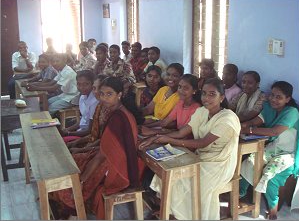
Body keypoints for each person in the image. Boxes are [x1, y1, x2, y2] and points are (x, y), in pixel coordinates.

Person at [139, 78, 241, 220]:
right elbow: (182, 132)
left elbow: (202, 143)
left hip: (218, 165)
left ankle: (186, 215)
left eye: (212, 94)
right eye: (204, 93)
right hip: (200, 158)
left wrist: (169, 139)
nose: (206, 98)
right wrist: (157, 137)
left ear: (222, 97)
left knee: (184, 180)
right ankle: (171, 210)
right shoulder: (202, 111)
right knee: (168, 173)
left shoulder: (228, 118)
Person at [50, 77, 142, 220]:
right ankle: (64, 204)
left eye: (109, 94)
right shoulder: (118, 112)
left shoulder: (118, 118)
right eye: (102, 94)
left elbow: (102, 155)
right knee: (74, 160)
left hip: (117, 168)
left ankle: (71, 207)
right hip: (113, 159)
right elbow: (104, 147)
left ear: (119, 95)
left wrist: (82, 180)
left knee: (75, 173)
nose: (104, 98)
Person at [239, 81, 299, 220]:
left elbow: (274, 132)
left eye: (279, 97)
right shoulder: (269, 107)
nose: (273, 99)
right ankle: (240, 193)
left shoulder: (292, 112)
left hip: (289, 153)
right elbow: (256, 120)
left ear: (288, 99)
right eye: (272, 95)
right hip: (273, 148)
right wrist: (244, 124)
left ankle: (272, 210)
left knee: (269, 173)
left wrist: (249, 130)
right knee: (249, 161)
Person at [60, 70, 99, 142]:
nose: (81, 87)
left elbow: (89, 130)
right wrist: (67, 129)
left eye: (86, 84)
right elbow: (83, 120)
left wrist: (69, 133)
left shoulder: (94, 101)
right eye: (79, 84)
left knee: (61, 141)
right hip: (80, 130)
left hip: (87, 135)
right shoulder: (82, 97)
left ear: (92, 84)